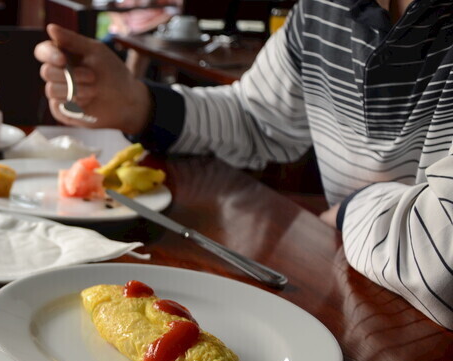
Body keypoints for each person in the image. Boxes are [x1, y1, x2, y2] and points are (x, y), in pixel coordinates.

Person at [35, 0, 453, 330]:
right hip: (353, 305)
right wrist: (138, 104)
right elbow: (256, 118)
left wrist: (348, 212)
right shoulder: (320, 9)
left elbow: (442, 261)